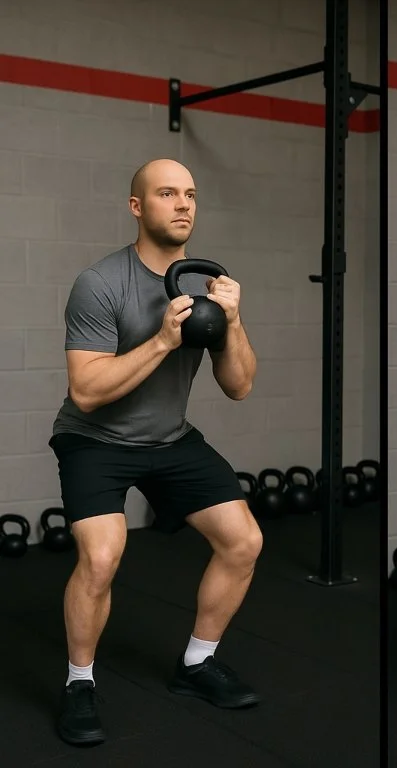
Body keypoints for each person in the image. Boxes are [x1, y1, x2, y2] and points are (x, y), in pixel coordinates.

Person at [49, 158, 263, 747]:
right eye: (167, 193)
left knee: (243, 540)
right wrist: (165, 339)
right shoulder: (99, 283)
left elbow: (240, 386)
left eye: (190, 194)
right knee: (101, 557)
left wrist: (234, 322)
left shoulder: (206, 285)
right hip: (95, 441)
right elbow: (86, 392)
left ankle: (196, 664)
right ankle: (79, 683)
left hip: (170, 439)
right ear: (138, 207)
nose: (183, 204)